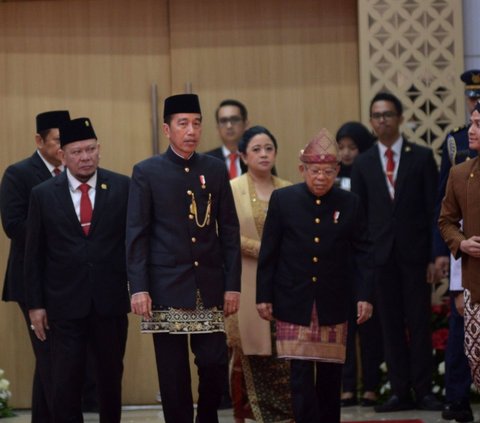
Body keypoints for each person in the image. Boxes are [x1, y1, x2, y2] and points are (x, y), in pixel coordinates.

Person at [126, 93, 241, 423]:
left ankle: (207, 418)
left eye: (197, 123)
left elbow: (229, 232)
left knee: (214, 362)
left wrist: (232, 286)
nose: (191, 130)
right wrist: (139, 287)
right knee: (173, 376)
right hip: (164, 287)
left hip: (208, 284)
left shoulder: (215, 169)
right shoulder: (147, 172)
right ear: (167, 129)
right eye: (183, 124)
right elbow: (137, 234)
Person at [256, 128, 373, 423]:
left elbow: (362, 254)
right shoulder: (283, 200)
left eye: (327, 171)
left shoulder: (351, 203)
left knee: (332, 374)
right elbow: (269, 252)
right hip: (293, 298)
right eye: (314, 170)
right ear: (302, 169)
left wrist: (364, 296)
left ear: (336, 170)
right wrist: (263, 296)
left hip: (334, 299)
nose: (320, 177)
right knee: (299, 375)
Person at [24, 117, 130, 423]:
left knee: (110, 378)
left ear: (99, 150)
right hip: (63, 304)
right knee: (65, 382)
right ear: (63, 156)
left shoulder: (122, 186)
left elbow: (134, 245)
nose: (85, 157)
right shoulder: (43, 194)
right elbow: (33, 255)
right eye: (77, 152)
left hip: (109, 303)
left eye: (91, 149)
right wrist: (35, 305)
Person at [350, 92, 442, 412]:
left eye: (388, 114)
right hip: (380, 259)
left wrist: (435, 255)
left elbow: (435, 211)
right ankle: (399, 391)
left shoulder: (421, 157)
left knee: (418, 323)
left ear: (400, 117)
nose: (382, 120)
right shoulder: (362, 163)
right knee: (388, 325)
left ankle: (425, 390)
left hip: (416, 257)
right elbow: (359, 218)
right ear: (371, 121)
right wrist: (364, 262)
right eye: (376, 115)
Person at [0, 110, 70, 423]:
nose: (63, 147)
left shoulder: (76, 171)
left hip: (68, 281)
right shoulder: (18, 174)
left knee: (55, 360)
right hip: (32, 280)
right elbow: (14, 225)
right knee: (51, 357)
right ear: (39, 140)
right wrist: (60, 227)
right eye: (58, 141)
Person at [227, 125, 293, 422]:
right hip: (247, 279)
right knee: (251, 349)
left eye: (269, 148)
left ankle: (289, 413)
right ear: (243, 155)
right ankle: (252, 413)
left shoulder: (289, 189)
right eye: (256, 149)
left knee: (287, 347)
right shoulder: (231, 189)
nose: (264, 154)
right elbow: (225, 235)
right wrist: (266, 249)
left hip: (286, 281)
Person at [432, 70, 480, 423]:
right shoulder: (458, 158)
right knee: (467, 346)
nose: (473, 126)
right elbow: (444, 214)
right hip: (472, 269)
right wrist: (456, 245)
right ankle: (457, 397)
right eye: (473, 117)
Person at [335, 122, 383, 408]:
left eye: (352, 147)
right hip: (340, 263)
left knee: (369, 328)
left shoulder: (370, 175)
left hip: (366, 260)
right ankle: (347, 385)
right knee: (344, 329)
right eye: (341, 147)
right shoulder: (331, 176)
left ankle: (372, 386)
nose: (346, 153)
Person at [205, 99, 249, 178]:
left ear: (246, 124)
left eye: (235, 119)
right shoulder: (206, 161)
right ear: (217, 127)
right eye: (223, 121)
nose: (229, 126)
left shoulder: (256, 157)